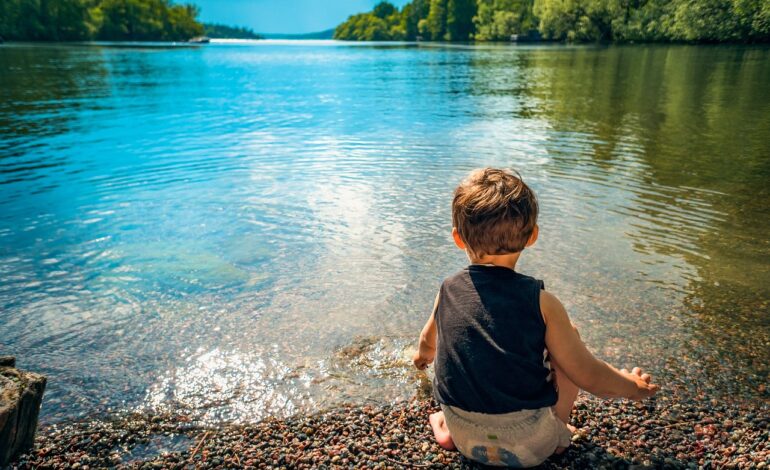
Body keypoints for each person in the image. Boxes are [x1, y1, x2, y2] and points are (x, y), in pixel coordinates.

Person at [412, 168, 659, 467]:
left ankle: (446, 428)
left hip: (464, 436)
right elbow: (589, 375)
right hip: (530, 445)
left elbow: (427, 343)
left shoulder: (448, 289)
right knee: (569, 336)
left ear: (458, 239)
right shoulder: (542, 302)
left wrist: (420, 360)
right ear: (532, 236)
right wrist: (633, 387)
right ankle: (558, 432)